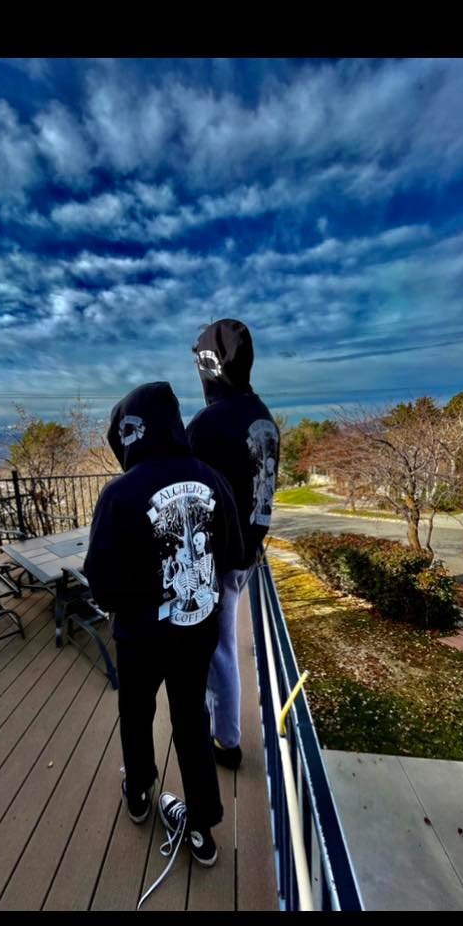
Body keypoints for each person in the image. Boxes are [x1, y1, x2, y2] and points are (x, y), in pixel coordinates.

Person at [84, 381, 244, 868]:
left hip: (140, 638)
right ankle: (201, 825)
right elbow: (233, 555)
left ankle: (138, 793)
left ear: (127, 434)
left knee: (136, 713)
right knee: (192, 719)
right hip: (198, 632)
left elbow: (101, 583)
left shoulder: (119, 494)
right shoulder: (213, 479)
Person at [187, 319, 280, 769]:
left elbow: (186, 490)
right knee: (222, 643)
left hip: (219, 557)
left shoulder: (208, 423)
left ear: (211, 364)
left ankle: (226, 741)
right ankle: (221, 726)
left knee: (217, 650)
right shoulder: (263, 415)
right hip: (249, 551)